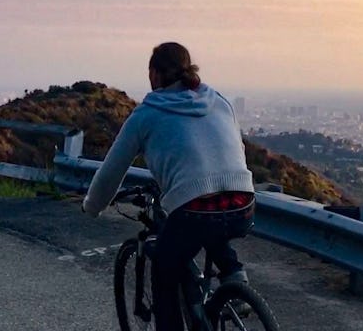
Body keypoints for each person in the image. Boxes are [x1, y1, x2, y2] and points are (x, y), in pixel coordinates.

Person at [82, 42, 255, 330]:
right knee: (213, 214)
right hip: (244, 200)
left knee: (165, 271)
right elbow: (235, 149)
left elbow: (111, 173)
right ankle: (234, 276)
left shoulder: (147, 114)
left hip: (194, 208)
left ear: (155, 75)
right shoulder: (219, 100)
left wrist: (92, 206)